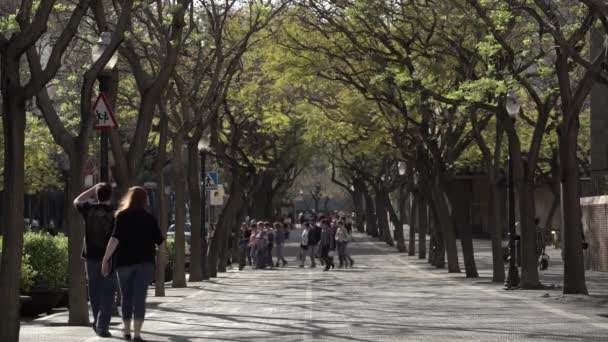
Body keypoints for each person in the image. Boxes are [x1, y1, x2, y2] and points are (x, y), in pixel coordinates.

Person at [101, 186, 164, 342]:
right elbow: (160, 241)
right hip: (145, 264)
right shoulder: (149, 218)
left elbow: (115, 239)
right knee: (139, 298)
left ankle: (127, 331)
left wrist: (105, 259)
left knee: (126, 297)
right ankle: (137, 334)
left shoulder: (121, 217)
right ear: (144, 201)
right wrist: (163, 257)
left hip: (124, 264)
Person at [74, 182, 116, 338]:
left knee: (94, 291)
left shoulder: (88, 210)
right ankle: (102, 325)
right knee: (108, 293)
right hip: (108, 258)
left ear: (97, 195)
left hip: (91, 256)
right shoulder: (114, 213)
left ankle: (97, 320)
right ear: (110, 196)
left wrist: (93, 189)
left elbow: (76, 200)